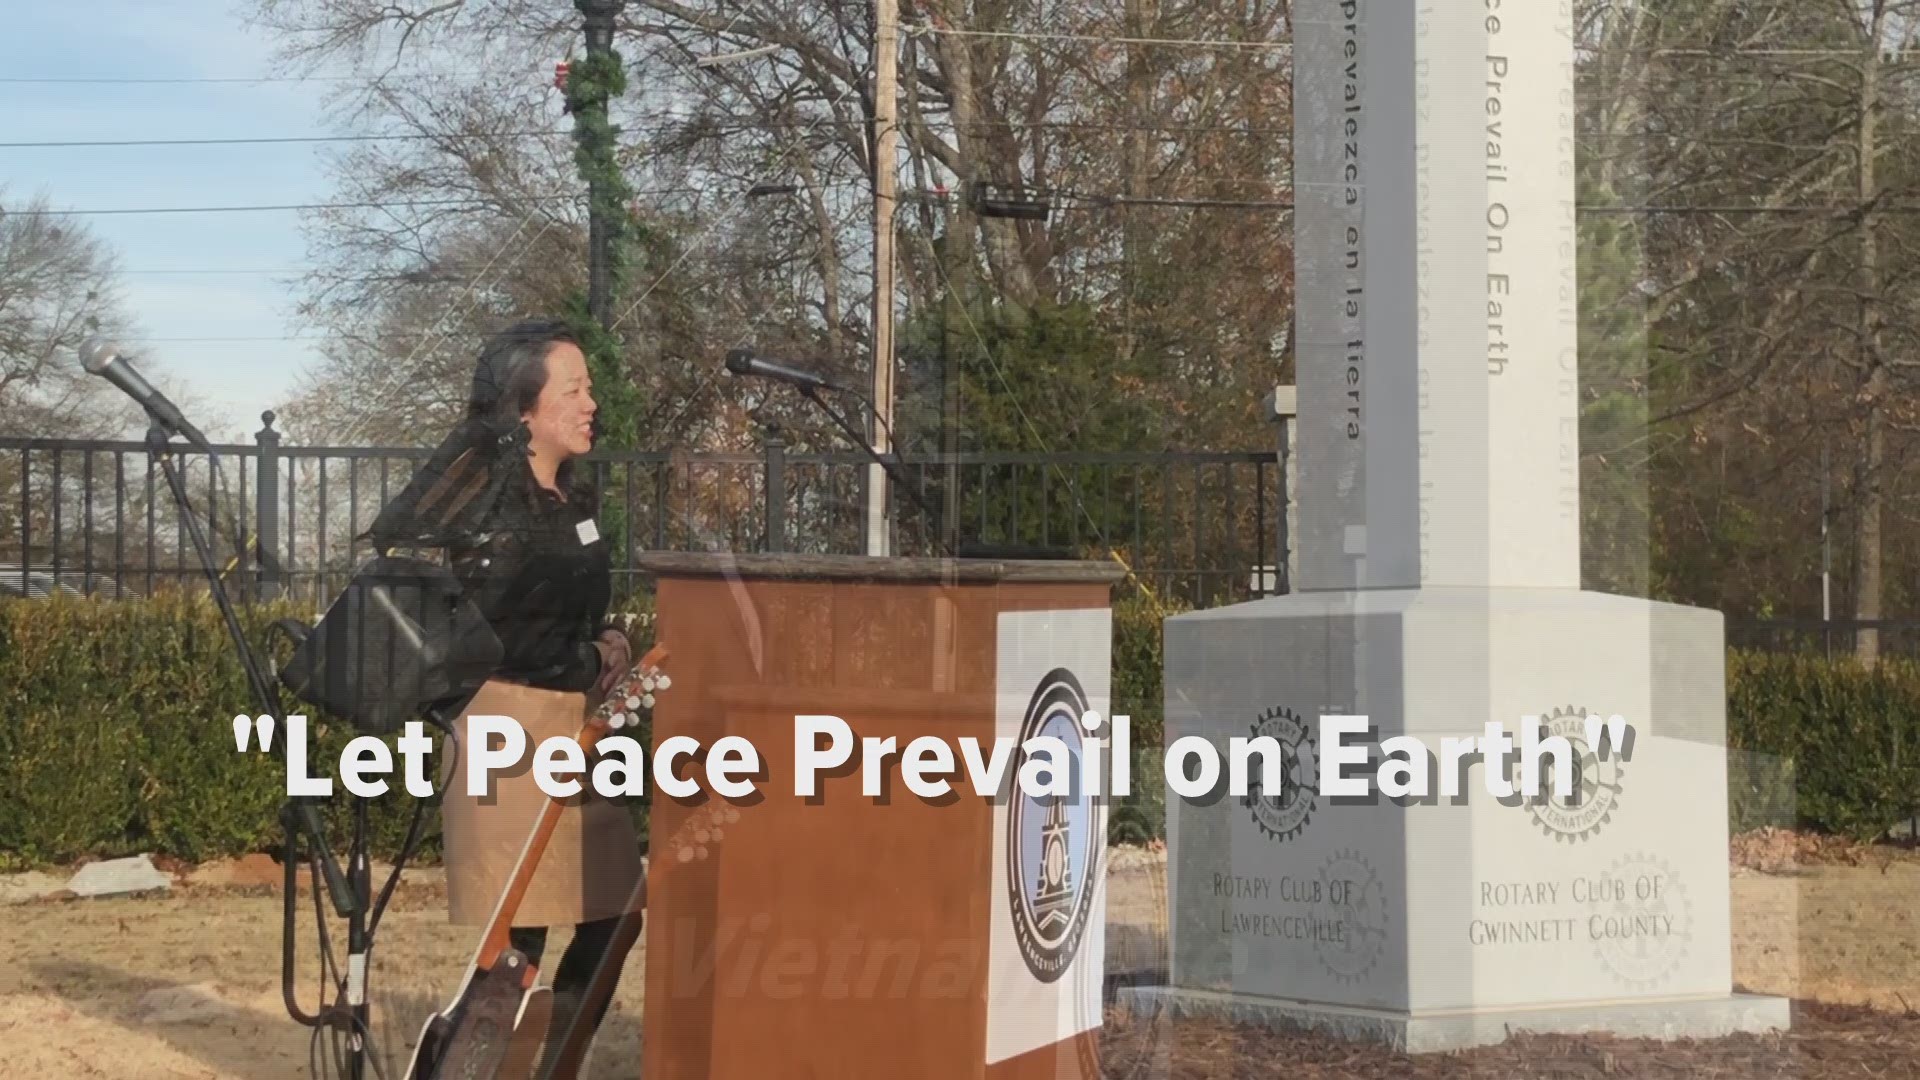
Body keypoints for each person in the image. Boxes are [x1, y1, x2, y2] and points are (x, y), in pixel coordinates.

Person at [431, 317, 645, 1080]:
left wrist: (612, 640)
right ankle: (478, 1067)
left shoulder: (576, 501)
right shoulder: (489, 506)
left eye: (590, 387)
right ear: (525, 407)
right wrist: (592, 656)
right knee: (520, 940)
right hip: (510, 729)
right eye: (575, 388)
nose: (592, 402)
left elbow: (575, 610)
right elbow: (488, 634)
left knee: (617, 912)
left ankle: (555, 1067)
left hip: (579, 731)